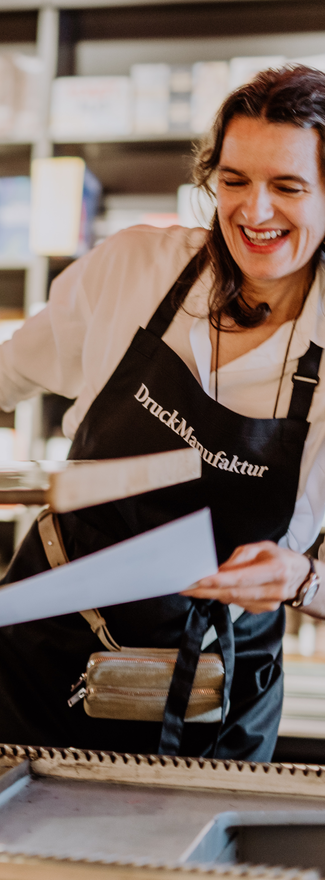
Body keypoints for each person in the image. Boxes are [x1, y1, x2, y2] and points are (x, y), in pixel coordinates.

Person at [0, 63, 325, 759]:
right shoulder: (133, 271)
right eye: (233, 180)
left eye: (287, 187)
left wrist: (302, 579)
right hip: (47, 642)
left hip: (216, 684)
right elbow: (7, 373)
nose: (253, 211)